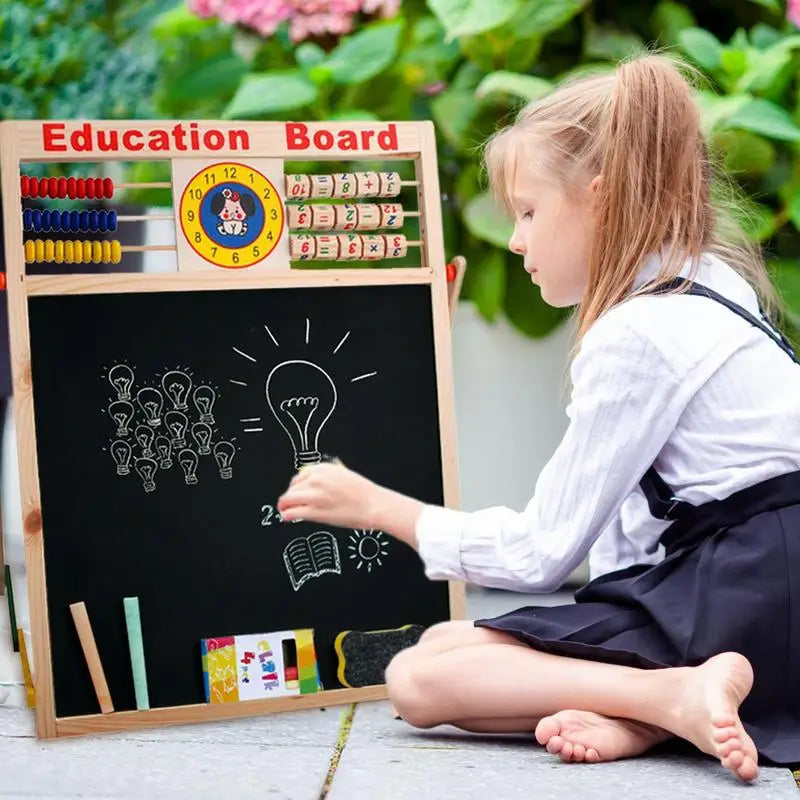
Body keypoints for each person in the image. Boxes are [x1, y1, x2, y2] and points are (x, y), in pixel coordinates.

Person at [277, 53, 800, 784]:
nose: (516, 239)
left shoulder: (637, 333)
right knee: (446, 647)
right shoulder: (709, 280)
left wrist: (377, 507)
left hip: (758, 595)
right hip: (763, 586)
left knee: (418, 681)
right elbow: (629, 538)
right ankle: (654, 712)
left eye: (528, 211)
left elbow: (541, 554)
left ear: (601, 199)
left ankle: (669, 695)